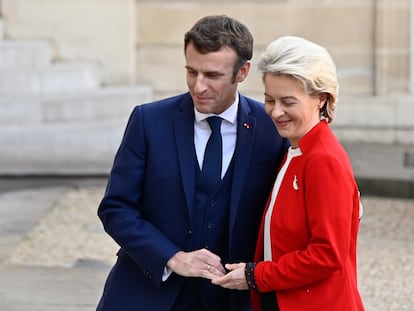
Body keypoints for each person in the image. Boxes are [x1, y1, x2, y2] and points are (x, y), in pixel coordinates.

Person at [96, 15, 289, 311]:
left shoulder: (271, 129)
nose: (198, 86)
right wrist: (173, 258)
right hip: (148, 293)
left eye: (212, 75)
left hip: (233, 300)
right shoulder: (149, 121)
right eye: (191, 72)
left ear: (243, 72)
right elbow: (116, 208)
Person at [212, 36, 365, 310]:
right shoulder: (296, 150)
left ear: (321, 98)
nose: (276, 111)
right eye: (269, 99)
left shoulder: (323, 159)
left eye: (288, 101)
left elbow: (327, 255)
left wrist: (254, 275)